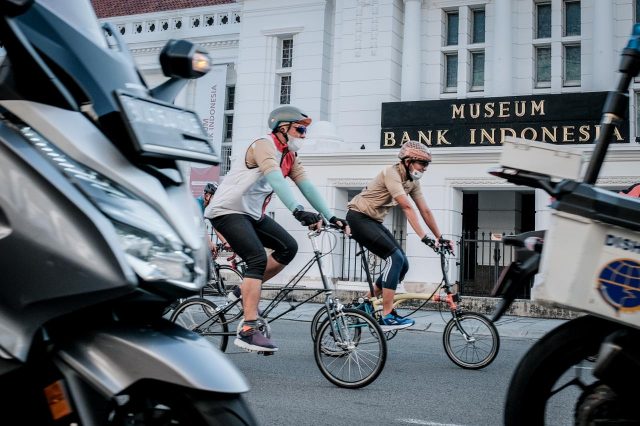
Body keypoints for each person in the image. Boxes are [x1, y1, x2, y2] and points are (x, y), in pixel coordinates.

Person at [205, 105, 349, 353]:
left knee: (288, 248)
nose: (304, 135)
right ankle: (249, 328)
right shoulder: (264, 145)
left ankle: (242, 291)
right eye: (300, 130)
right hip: (228, 210)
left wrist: (332, 216)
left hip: (252, 214)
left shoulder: (290, 156)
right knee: (257, 259)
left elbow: (307, 186)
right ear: (283, 128)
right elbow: (275, 180)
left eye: (305, 131)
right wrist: (297, 210)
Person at [346, 140, 453, 331]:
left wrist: (440, 237)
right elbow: (406, 206)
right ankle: (387, 315)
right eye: (423, 164)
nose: (425, 168)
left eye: (427, 165)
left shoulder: (412, 182)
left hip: (373, 221)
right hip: (358, 218)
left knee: (403, 263)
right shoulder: (391, 173)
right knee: (394, 258)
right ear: (408, 161)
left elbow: (425, 210)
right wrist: (424, 237)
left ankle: (365, 302)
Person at [196, 182, 230, 256]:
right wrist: (209, 243)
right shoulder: (197, 204)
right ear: (207, 195)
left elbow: (216, 227)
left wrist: (225, 242)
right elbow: (200, 227)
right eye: (215, 198)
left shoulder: (210, 207)